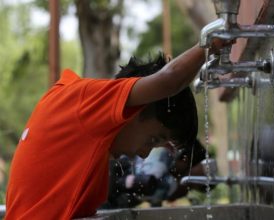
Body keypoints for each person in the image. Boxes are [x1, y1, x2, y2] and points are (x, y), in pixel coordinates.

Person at [5, 38, 229, 219]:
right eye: (152, 140)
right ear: (136, 110)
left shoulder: (76, 115)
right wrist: (212, 42)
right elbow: (169, 81)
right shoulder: (82, 103)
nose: (143, 154)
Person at [101, 138, 214, 209]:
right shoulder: (163, 156)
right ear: (185, 160)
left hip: (106, 196)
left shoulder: (162, 152)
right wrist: (177, 187)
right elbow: (148, 185)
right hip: (104, 193)